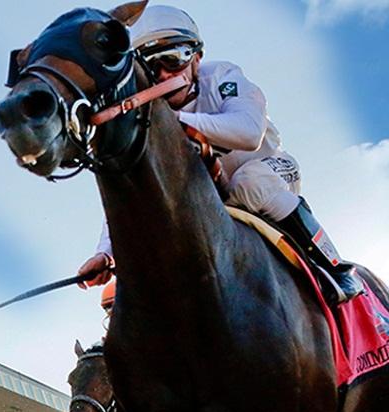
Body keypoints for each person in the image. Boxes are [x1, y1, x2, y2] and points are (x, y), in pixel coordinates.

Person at [76, 5, 363, 304]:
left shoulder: (222, 76)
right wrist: (105, 254)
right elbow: (133, 193)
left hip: (269, 173)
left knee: (249, 182)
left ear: (197, 58)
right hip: (212, 203)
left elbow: (249, 133)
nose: (162, 75)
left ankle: (334, 268)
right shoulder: (147, 119)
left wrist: (175, 123)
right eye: (150, 66)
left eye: (173, 60)